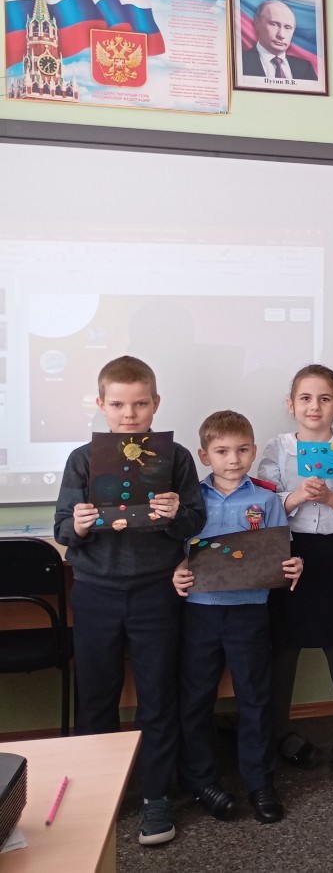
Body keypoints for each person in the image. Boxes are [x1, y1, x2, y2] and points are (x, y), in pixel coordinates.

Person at [52, 355, 206, 845]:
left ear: (156, 403)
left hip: (156, 592)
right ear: (101, 405)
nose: (129, 414)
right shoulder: (82, 459)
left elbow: (195, 522)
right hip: (95, 592)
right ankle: (98, 792)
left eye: (140, 404)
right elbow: (62, 528)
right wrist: (78, 526)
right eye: (118, 405)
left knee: (157, 698)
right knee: (96, 698)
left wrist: (177, 514)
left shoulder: (175, 457)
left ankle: (156, 795)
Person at [172, 411, 303, 822]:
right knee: (196, 698)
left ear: (254, 450)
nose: (233, 459)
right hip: (200, 613)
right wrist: (176, 571)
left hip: (249, 612)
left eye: (242, 449)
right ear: (204, 456)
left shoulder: (267, 500)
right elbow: (175, 552)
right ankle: (201, 780)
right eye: (222, 451)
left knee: (255, 697)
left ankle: (260, 782)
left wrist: (294, 566)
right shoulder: (189, 500)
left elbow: (281, 554)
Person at [257, 364, 333, 771]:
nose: (314, 406)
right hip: (288, 551)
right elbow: (261, 505)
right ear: (291, 404)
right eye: (305, 398)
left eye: (325, 398)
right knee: (285, 642)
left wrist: (331, 498)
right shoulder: (277, 448)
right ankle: (279, 730)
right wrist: (295, 497)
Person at [241, 0, 318, 80]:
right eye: (273, 24)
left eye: (287, 27)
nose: (281, 35)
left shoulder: (305, 68)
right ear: (257, 23)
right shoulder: (240, 61)